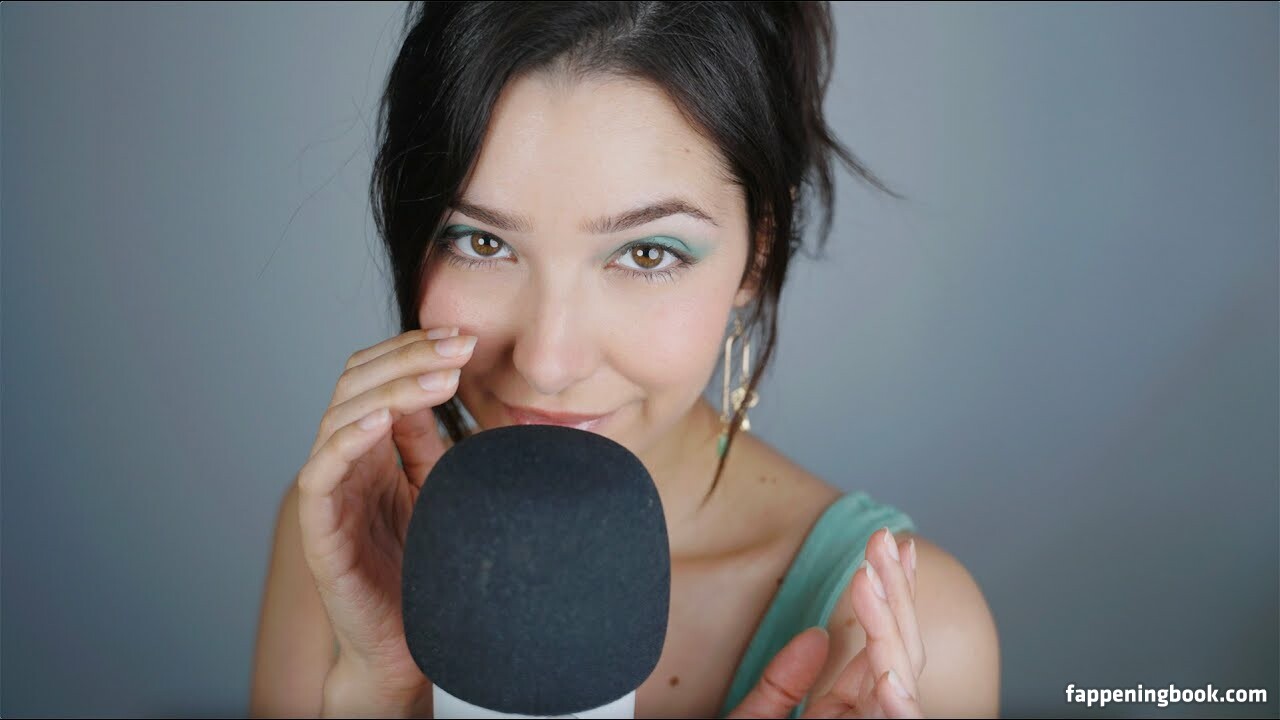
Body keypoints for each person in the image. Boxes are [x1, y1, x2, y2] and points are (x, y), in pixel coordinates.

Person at [250, 2, 1000, 717]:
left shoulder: (903, 642)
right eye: (482, 242)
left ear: (756, 252)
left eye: (646, 254)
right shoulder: (355, 540)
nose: (547, 362)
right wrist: (381, 696)